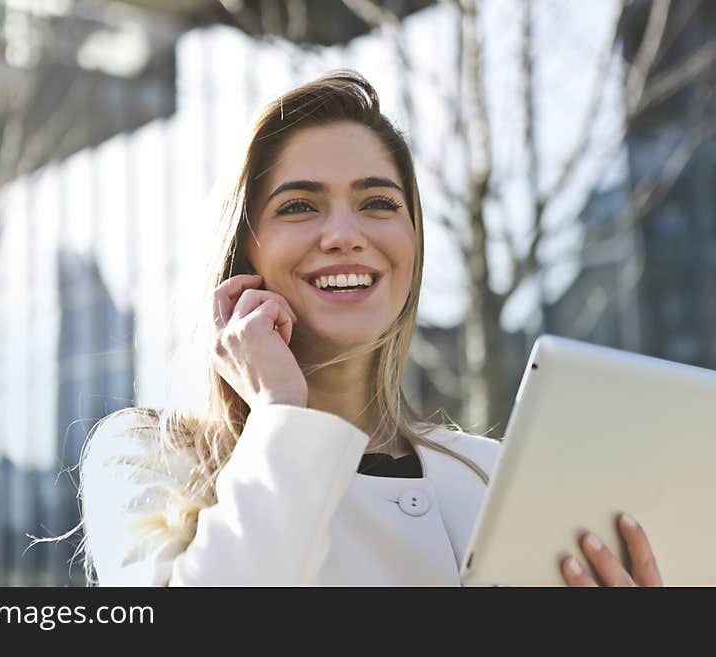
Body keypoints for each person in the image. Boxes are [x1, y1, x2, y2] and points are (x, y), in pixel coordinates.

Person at [78, 70, 663, 587]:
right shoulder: (145, 458)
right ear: (242, 255)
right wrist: (282, 412)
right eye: (299, 206)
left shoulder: (494, 475)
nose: (345, 234)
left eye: (379, 203)